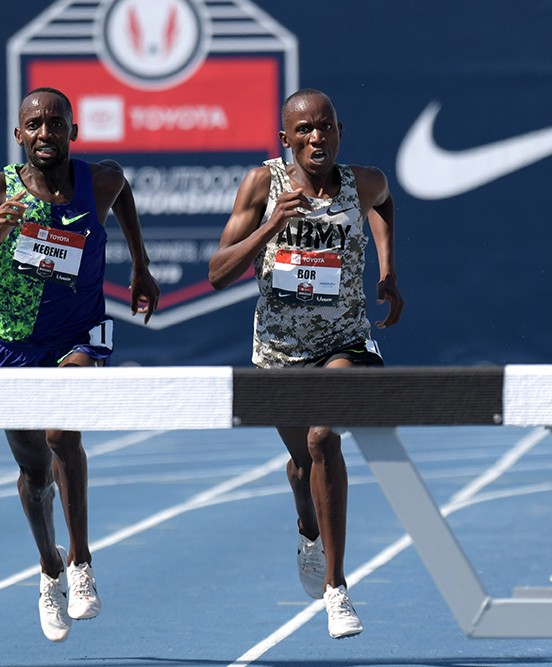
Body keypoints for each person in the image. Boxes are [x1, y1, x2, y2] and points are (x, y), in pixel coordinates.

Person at [0, 87, 160, 642]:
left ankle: (80, 562)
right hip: (14, 346)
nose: (45, 132)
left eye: (56, 123)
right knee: (32, 473)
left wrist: (140, 267)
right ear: (19, 135)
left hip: (81, 333)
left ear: (72, 131)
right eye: (35, 124)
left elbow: (121, 194)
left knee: (61, 430)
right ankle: (49, 568)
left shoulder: (98, 180)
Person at [208, 88, 404, 638]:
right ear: (286, 139)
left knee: (323, 439)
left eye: (325, 128)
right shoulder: (261, 184)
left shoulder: (361, 182)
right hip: (278, 354)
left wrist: (387, 269)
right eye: (304, 131)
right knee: (302, 463)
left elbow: (385, 203)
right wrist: (270, 225)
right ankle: (307, 524)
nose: (316, 138)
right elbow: (218, 272)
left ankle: (337, 589)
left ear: (339, 131)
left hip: (346, 342)